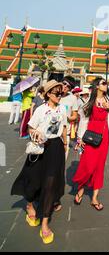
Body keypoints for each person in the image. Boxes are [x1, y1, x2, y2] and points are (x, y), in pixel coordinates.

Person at [11, 80, 67, 245]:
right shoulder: (41, 110)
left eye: (61, 93)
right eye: (57, 93)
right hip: (40, 147)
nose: (59, 96)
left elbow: (63, 128)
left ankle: (44, 222)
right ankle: (30, 205)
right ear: (48, 94)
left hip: (55, 147)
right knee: (34, 181)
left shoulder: (62, 109)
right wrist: (36, 133)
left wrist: (65, 145)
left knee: (50, 184)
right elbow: (30, 127)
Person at [72, 78, 109, 210]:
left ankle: (94, 198)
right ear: (97, 87)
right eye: (103, 83)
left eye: (106, 83)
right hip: (90, 137)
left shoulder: (108, 100)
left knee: (99, 166)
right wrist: (80, 138)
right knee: (87, 165)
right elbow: (83, 120)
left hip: (104, 137)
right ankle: (81, 189)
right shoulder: (89, 102)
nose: (106, 85)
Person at [60, 76, 78, 156]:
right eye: (64, 84)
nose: (65, 87)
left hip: (65, 133)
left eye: (68, 86)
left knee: (62, 160)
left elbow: (75, 116)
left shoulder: (73, 98)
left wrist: (67, 118)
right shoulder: (53, 95)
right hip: (51, 133)